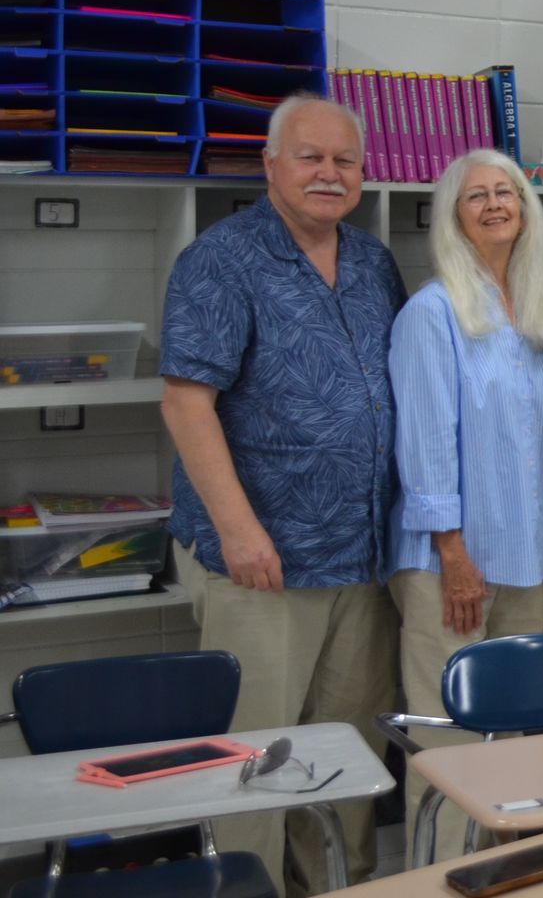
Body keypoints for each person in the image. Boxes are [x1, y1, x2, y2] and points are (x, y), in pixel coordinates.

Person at [160, 94, 406, 894]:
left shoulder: (373, 262)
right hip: (262, 560)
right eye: (310, 156)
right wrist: (238, 529)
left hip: (360, 556)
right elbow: (186, 402)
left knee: (343, 759)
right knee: (255, 759)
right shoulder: (221, 260)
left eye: (345, 160)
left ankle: (338, 886)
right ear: (271, 165)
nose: (329, 174)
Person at [386, 149, 543, 861]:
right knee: (450, 740)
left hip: (527, 553)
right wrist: (452, 553)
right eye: (476, 197)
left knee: (512, 737)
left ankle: (499, 870)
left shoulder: (535, 306)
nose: (495, 205)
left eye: (508, 192)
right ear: (452, 219)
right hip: (451, 562)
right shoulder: (433, 313)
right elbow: (426, 444)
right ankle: (438, 876)